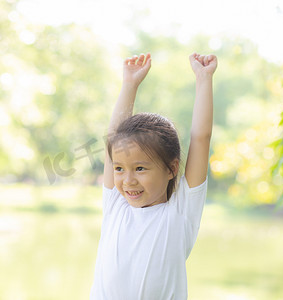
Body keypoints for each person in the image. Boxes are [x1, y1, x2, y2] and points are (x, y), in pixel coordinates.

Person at [90, 52, 218, 299]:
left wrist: (204, 78)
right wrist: (129, 84)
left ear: (171, 169)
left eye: (140, 168)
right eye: (119, 169)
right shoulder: (116, 204)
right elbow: (114, 135)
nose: (128, 181)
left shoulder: (180, 212)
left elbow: (201, 139)